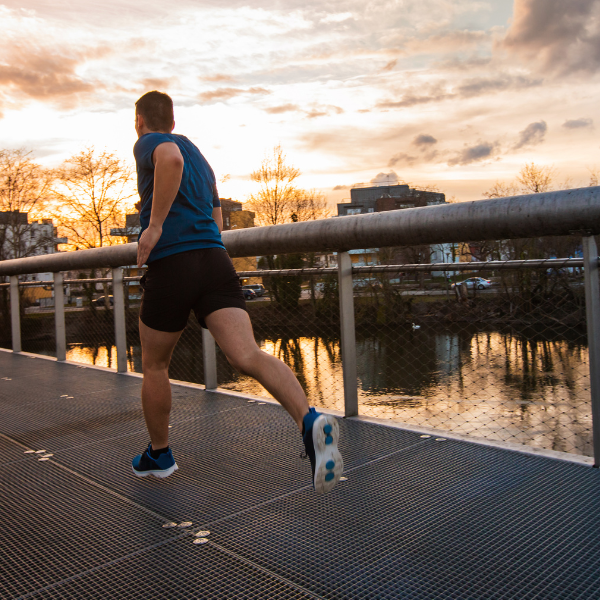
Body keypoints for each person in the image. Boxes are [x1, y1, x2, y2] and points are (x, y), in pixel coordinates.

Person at [130, 91, 343, 494]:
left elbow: (168, 161)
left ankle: (160, 455)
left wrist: (155, 226)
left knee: (156, 364)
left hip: (173, 262)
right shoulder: (200, 158)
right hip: (214, 259)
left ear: (140, 120)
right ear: (174, 122)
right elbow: (216, 215)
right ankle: (308, 420)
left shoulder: (152, 142)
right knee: (247, 354)